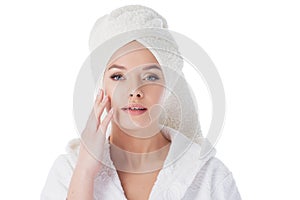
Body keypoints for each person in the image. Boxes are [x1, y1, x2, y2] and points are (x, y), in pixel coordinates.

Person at [41, 5, 242, 200]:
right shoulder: (68, 171)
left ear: (169, 86)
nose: (135, 91)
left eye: (151, 77)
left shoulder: (212, 177)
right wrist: (84, 172)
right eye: (118, 77)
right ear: (101, 85)